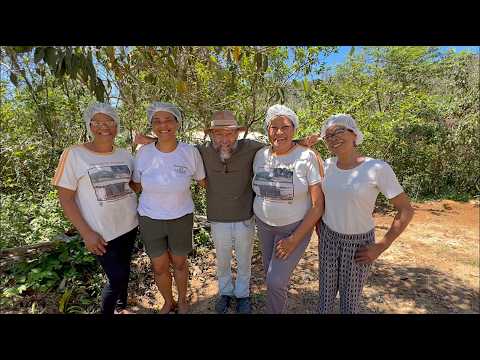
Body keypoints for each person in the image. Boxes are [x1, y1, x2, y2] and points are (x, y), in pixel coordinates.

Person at [135, 111, 321, 314]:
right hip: (217, 217)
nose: (225, 139)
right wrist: (151, 139)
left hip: (245, 216)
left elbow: (280, 141)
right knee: (222, 259)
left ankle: (242, 294)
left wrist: (301, 141)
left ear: (237, 134)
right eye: (218, 134)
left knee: (244, 258)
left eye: (230, 134)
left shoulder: (252, 148)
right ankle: (225, 292)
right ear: (211, 135)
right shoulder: (201, 151)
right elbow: (171, 145)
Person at [317, 114, 414, 314]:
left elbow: (406, 209)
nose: (334, 137)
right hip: (328, 238)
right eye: (328, 135)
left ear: (354, 134)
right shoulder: (326, 166)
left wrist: (381, 246)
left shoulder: (376, 168)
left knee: (349, 304)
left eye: (340, 131)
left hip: (359, 244)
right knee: (324, 300)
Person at [52, 102, 139, 315]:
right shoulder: (74, 154)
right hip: (101, 233)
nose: (104, 126)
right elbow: (66, 199)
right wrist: (87, 233)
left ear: (117, 126)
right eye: (97, 122)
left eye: (109, 120)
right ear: (89, 125)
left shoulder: (125, 155)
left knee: (125, 270)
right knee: (116, 277)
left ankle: (122, 306)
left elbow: (133, 186)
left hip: (129, 224)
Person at [131, 102, 206, 314]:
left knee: (180, 263)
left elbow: (204, 181)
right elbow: (135, 185)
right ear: (152, 125)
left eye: (168, 120)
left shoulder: (189, 152)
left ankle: (182, 300)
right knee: (159, 266)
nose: (163, 125)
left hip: (181, 216)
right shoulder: (143, 153)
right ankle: (167, 301)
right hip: (150, 218)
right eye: (157, 121)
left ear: (177, 123)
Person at [252, 104, 325, 314]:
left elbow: (317, 205)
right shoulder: (260, 156)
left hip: (294, 228)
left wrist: (294, 239)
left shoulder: (306, 156)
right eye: (273, 127)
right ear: (267, 130)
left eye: (285, 127)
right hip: (264, 226)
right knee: (270, 274)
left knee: (275, 280)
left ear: (294, 128)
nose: (279, 132)